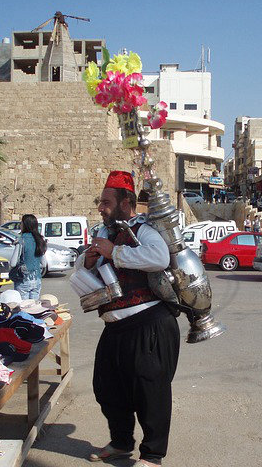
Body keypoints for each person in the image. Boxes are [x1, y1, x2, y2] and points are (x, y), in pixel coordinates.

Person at [78, 171, 179, 467]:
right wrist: (87, 261)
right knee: (106, 387)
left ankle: (152, 456)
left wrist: (114, 252)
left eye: (106, 202)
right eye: (100, 201)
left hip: (149, 323)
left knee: (151, 392)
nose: (101, 206)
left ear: (126, 202)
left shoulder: (145, 229)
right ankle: (121, 442)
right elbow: (83, 270)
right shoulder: (104, 232)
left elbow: (159, 258)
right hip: (115, 327)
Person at [11, 214, 47, 300]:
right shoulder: (39, 240)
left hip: (23, 280)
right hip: (37, 279)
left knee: (24, 308)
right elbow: (44, 263)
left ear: (25, 225)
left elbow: (13, 263)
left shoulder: (21, 240)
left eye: (21, 223)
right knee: (34, 308)